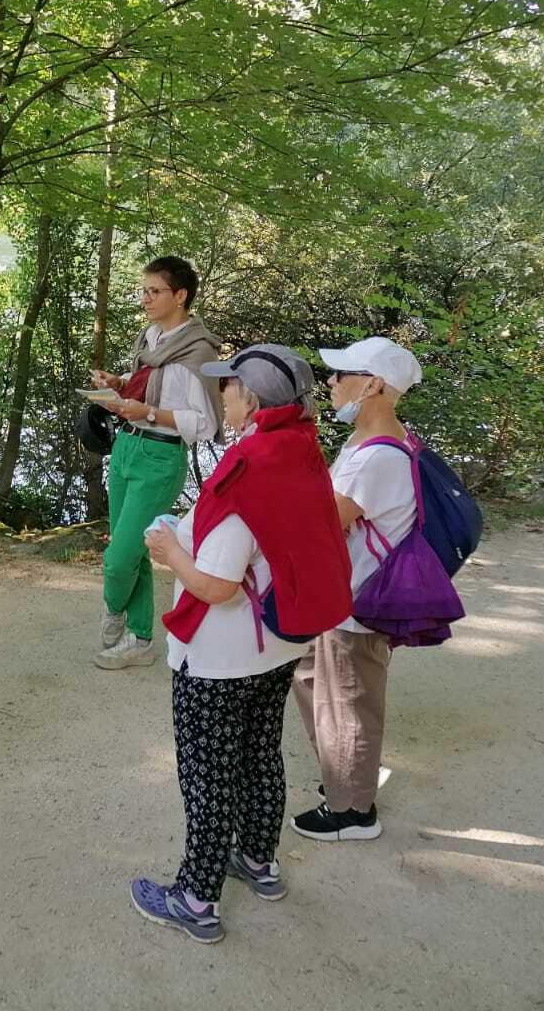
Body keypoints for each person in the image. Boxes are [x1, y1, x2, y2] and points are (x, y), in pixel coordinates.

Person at [131, 344, 352, 944]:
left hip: (222, 654)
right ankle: (260, 861)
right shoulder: (302, 453)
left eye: (227, 386)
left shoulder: (246, 471)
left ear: (250, 399)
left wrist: (171, 552)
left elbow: (218, 585)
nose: (220, 394)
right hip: (277, 643)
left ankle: (196, 899)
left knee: (207, 774)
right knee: (260, 756)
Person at [290, 336, 424, 843]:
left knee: (349, 704)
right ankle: (342, 780)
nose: (331, 381)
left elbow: (325, 522)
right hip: (336, 595)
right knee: (315, 683)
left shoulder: (378, 457)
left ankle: (352, 811)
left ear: (371, 385)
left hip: (357, 603)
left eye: (341, 373)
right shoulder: (369, 443)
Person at [90, 256, 222, 669]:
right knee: (134, 549)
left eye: (154, 291)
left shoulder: (198, 353)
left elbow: (204, 424)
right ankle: (142, 639)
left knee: (119, 558)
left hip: (160, 455)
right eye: (143, 290)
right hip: (127, 448)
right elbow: (150, 390)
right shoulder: (151, 337)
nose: (145, 298)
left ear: (180, 296)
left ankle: (114, 615)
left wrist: (146, 413)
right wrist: (119, 386)